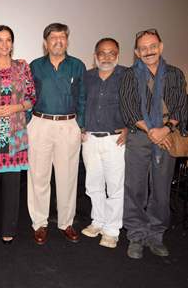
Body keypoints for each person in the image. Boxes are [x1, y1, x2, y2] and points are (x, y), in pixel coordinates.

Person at [120, 28, 188, 259]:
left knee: (161, 189)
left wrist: (165, 130)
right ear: (137, 53)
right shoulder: (129, 75)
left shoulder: (175, 74)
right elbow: (129, 109)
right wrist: (152, 131)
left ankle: (156, 235)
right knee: (135, 189)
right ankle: (137, 235)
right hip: (139, 137)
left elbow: (180, 107)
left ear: (161, 47)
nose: (148, 51)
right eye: (143, 48)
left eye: (152, 46)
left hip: (167, 137)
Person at [27, 23, 86, 245]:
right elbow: (28, 96)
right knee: (38, 177)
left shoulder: (77, 66)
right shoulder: (35, 66)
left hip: (68, 125)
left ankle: (66, 222)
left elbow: (82, 97)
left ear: (67, 41)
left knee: (68, 176)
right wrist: (27, 125)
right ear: (45, 42)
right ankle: (39, 223)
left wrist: (81, 125)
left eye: (62, 37)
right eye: (53, 37)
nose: (58, 41)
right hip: (40, 123)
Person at [0, 25, 36, 244]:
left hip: (15, 134)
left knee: (12, 186)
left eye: (8, 39)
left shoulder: (23, 67)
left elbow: (32, 97)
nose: (4, 44)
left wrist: (17, 107)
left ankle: (9, 228)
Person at [81, 38, 127, 249]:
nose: (107, 57)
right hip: (89, 139)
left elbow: (137, 105)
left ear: (117, 55)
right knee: (93, 185)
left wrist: (130, 128)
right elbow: (79, 102)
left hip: (114, 140)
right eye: (102, 53)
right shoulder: (87, 77)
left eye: (111, 53)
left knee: (115, 187)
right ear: (95, 55)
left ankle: (112, 229)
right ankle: (98, 221)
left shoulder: (127, 76)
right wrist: (80, 126)